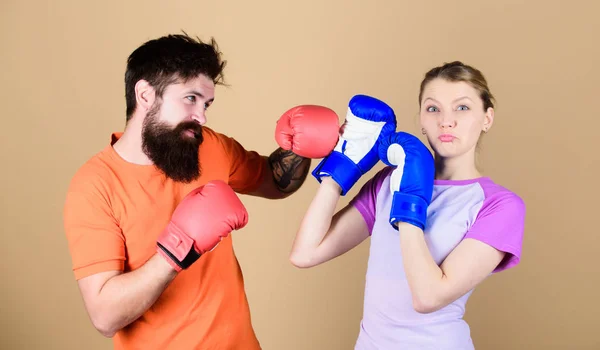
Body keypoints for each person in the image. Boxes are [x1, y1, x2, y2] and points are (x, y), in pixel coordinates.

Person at [62, 33, 341, 350]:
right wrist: (178, 248)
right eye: (190, 99)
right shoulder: (95, 185)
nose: (202, 116)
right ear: (145, 95)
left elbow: (275, 182)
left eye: (206, 103)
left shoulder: (208, 145)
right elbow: (105, 316)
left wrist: (300, 146)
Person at [289, 61, 526, 349]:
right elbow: (305, 254)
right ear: (422, 121)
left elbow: (427, 297)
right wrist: (340, 169)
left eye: (462, 108)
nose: (445, 121)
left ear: (487, 118)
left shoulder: (499, 205)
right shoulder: (390, 180)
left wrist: (410, 200)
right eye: (433, 108)